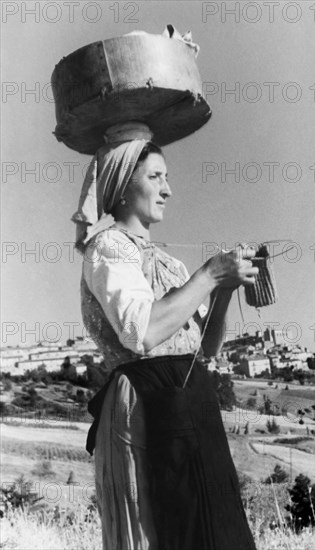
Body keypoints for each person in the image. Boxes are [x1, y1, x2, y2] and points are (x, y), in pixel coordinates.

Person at [73, 122, 258, 550]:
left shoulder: (172, 266)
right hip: (147, 405)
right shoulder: (110, 248)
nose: (168, 189)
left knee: (212, 530)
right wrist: (210, 273)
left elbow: (206, 346)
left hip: (189, 401)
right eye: (156, 177)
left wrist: (223, 288)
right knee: (164, 530)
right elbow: (143, 332)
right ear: (122, 185)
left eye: (167, 178)